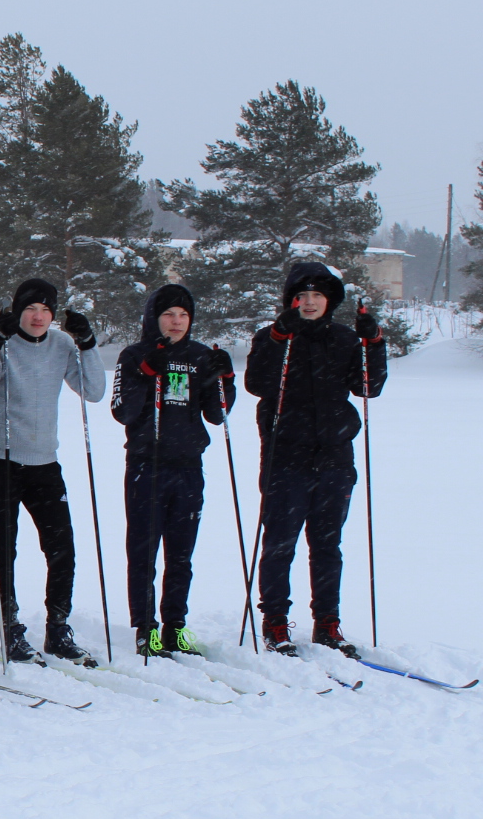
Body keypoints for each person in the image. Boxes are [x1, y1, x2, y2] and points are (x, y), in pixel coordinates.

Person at [244, 262, 387, 657]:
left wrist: (374, 343)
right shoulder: (274, 336)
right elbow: (257, 383)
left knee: (327, 545)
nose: (309, 303)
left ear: (330, 301)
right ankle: (275, 621)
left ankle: (327, 623)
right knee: (280, 543)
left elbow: (368, 387)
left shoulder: (344, 340)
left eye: (317, 296)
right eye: (302, 296)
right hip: (285, 457)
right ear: (291, 300)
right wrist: (277, 337)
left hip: (335, 458)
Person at [0, 277, 107, 665]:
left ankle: (58, 628)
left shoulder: (62, 345)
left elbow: (94, 390)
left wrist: (89, 343)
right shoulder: (5, 341)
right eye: (31, 308)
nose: (38, 316)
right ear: (17, 310)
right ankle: (10, 628)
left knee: (62, 549)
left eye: (46, 309)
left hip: (45, 463)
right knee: (4, 550)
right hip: (3, 460)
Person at [110, 285, 235, 657]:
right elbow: (122, 412)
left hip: (188, 466)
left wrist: (223, 378)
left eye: (183, 315)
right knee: (144, 551)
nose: (176, 322)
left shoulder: (199, 356)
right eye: (168, 315)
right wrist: (148, 371)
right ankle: (145, 627)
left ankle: (174, 626)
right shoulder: (134, 355)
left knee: (181, 554)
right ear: (154, 318)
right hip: (147, 466)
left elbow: (218, 413)